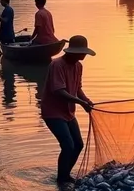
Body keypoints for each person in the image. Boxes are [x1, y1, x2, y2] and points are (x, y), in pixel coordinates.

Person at [41, 35, 96, 183]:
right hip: (52, 112)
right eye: (82, 52)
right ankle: (61, 179)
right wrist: (80, 103)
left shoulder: (78, 66)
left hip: (68, 112)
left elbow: (78, 89)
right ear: (74, 52)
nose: (84, 55)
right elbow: (59, 91)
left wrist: (87, 101)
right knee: (67, 145)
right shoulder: (57, 64)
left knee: (78, 145)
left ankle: (65, 175)